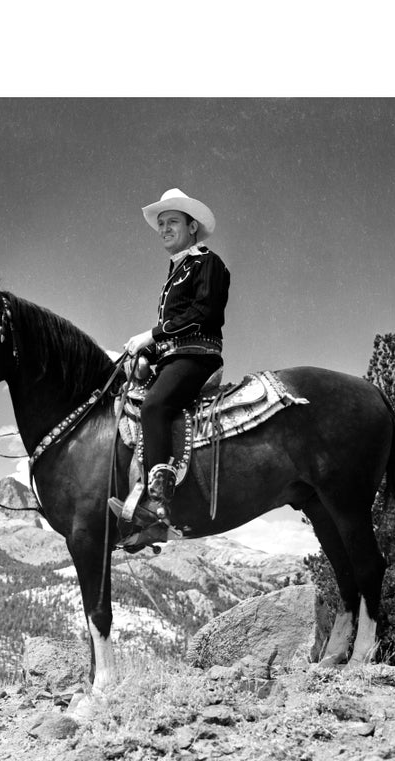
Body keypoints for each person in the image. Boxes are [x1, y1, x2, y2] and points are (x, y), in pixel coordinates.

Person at [110, 188, 231, 531]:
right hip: (173, 356)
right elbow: (171, 331)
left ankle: (155, 503)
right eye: (161, 223)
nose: (164, 228)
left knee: (154, 407)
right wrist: (143, 350)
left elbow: (202, 312)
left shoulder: (208, 262)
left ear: (192, 226)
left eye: (172, 221)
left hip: (198, 355)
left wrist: (152, 335)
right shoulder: (176, 270)